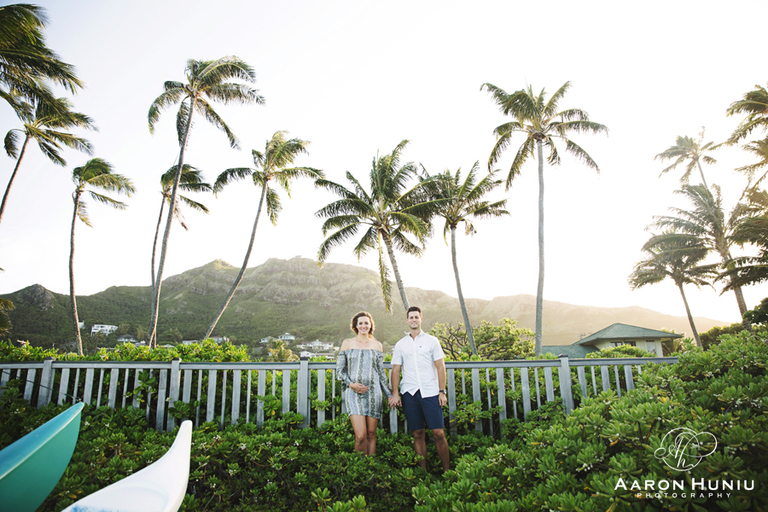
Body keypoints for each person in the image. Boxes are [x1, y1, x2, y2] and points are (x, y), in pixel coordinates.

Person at [388, 306, 450, 472]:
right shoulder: (401, 344)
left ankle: (447, 472)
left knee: (438, 433)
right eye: (411, 317)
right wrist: (395, 393)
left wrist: (441, 391)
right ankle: (423, 473)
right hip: (409, 393)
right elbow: (395, 369)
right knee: (418, 434)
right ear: (407, 320)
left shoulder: (432, 341)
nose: (414, 320)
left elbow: (440, 367)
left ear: (421, 319)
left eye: (416, 317)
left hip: (430, 392)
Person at [336, 311, 392, 455]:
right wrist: (351, 384)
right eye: (360, 323)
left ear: (371, 325)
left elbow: (381, 373)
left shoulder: (377, 345)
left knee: (371, 435)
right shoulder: (347, 343)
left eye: (366, 323)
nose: (363, 325)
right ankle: (360, 470)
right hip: (354, 394)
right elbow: (339, 371)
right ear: (355, 325)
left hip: (374, 394)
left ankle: (371, 468)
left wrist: (389, 395)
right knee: (360, 436)